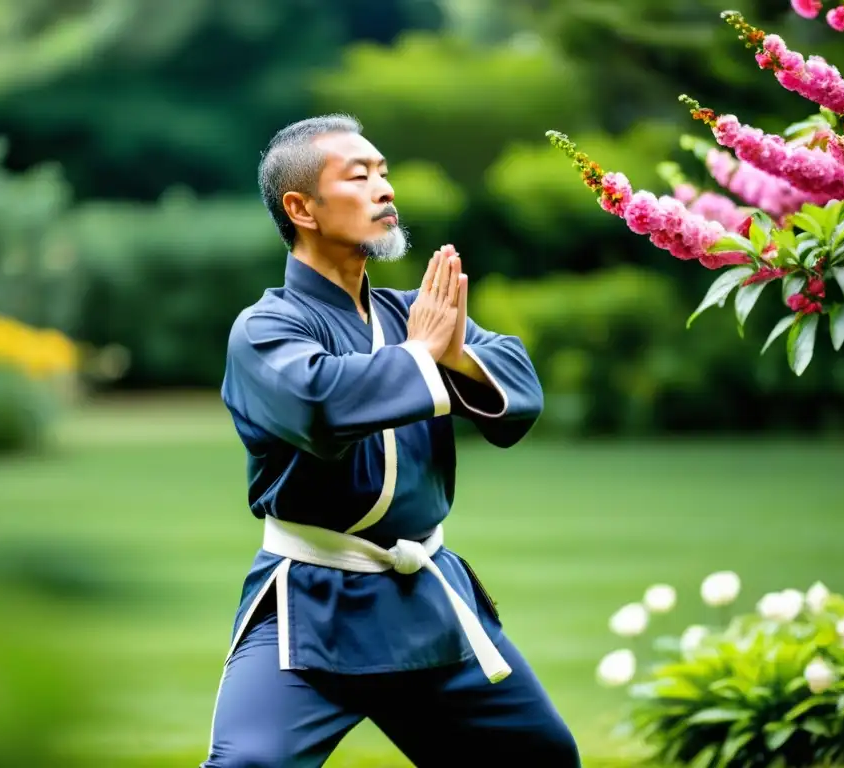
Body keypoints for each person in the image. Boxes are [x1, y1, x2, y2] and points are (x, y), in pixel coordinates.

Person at [202, 114, 580, 767]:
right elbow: (319, 402)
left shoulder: (412, 315)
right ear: (302, 208)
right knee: (250, 764)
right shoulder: (264, 330)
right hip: (312, 606)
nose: (385, 189)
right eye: (360, 176)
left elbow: (519, 382)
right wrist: (423, 356)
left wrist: (450, 356)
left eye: (384, 172)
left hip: (424, 599)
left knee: (540, 756)